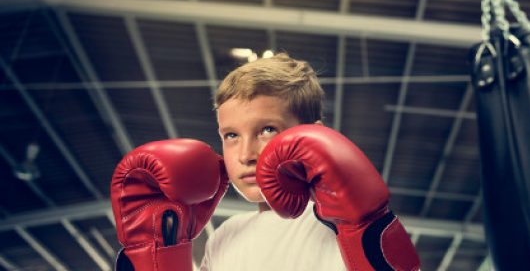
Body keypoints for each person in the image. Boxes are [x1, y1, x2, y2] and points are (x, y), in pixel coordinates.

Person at [110, 53, 419, 271]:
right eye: (231, 135)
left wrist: (365, 225)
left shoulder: (339, 223)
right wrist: (158, 252)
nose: (246, 154)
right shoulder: (225, 235)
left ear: (313, 136)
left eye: (267, 130)